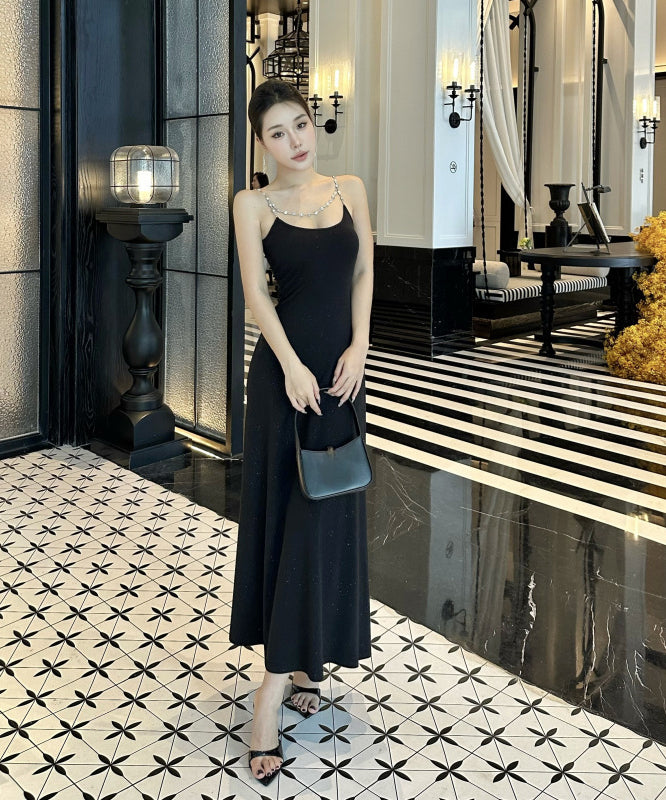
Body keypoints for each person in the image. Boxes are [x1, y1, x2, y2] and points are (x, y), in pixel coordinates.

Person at [229, 77, 374, 786]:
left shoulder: (349, 188)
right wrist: (289, 365)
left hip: (343, 378)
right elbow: (257, 294)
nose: (294, 141)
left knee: (331, 511)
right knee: (292, 519)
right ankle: (271, 691)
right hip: (286, 383)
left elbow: (365, 271)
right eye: (277, 133)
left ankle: (309, 661)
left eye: (300, 124)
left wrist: (361, 347)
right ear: (261, 144)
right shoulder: (252, 204)